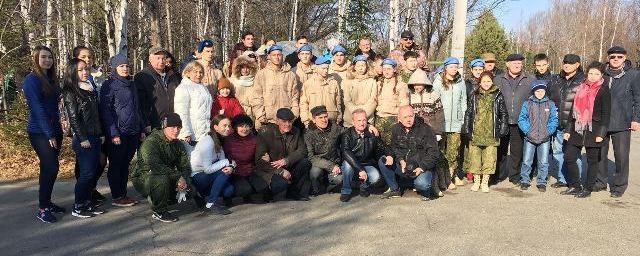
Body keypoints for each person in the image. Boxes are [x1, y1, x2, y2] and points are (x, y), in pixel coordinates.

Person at [61, 58, 106, 218]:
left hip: (94, 136)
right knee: (86, 174)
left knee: (92, 172)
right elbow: (74, 118)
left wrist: (100, 133)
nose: (85, 72)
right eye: (80, 70)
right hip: (83, 139)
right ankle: (78, 206)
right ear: (72, 71)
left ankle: (87, 202)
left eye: (86, 69)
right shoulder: (70, 91)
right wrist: (82, 138)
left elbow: (95, 115)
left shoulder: (89, 88)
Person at [24, 46, 64, 223]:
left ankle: (47, 202)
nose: (48, 60)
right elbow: (37, 109)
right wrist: (49, 134)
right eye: (43, 57)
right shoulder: (31, 80)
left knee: (49, 168)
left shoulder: (52, 79)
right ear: (36, 59)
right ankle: (42, 208)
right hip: (40, 132)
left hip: (55, 130)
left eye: (50, 57)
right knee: (51, 166)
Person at [101, 54, 146, 207]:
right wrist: (113, 132)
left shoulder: (131, 83)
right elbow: (106, 111)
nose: (125, 68)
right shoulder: (109, 85)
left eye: (127, 66)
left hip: (132, 131)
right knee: (116, 164)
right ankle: (117, 195)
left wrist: (141, 128)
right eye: (121, 66)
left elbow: (137, 108)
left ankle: (123, 194)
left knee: (125, 164)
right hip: (118, 133)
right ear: (115, 68)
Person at [131, 113, 194, 223]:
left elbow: (185, 166)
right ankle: (159, 211)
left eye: (178, 127)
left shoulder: (177, 144)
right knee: (161, 180)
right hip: (145, 177)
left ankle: (163, 198)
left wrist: (184, 181)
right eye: (172, 127)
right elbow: (155, 166)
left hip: (166, 174)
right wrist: (178, 177)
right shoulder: (151, 142)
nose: (176, 131)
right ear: (164, 127)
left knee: (191, 189)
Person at [562, 61, 611, 198]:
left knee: (592, 161)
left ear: (601, 75)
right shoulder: (580, 87)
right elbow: (573, 111)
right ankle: (575, 185)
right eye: (591, 73)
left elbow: (606, 114)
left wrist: (601, 133)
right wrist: (567, 130)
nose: (593, 76)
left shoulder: (603, 90)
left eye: (597, 74)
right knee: (569, 157)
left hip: (594, 130)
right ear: (586, 73)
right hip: (577, 129)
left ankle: (588, 188)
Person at [597, 46, 640, 197]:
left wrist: (636, 119)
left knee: (621, 156)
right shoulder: (601, 73)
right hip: (602, 121)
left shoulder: (633, 75)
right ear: (608, 58)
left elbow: (638, 98)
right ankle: (600, 182)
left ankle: (619, 186)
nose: (616, 59)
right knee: (600, 154)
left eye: (619, 57)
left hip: (622, 121)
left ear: (625, 58)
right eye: (613, 56)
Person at [379, 106, 439, 201]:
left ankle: (424, 188)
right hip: (404, 167)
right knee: (383, 160)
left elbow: (434, 153)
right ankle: (395, 189)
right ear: (399, 118)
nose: (408, 120)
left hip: (420, 168)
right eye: (405, 117)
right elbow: (393, 147)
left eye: (411, 116)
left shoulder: (426, 130)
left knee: (422, 184)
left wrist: (422, 167)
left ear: (414, 116)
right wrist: (398, 159)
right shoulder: (396, 129)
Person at [72, 45, 108, 203]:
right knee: (86, 164)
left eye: (90, 56)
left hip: (99, 124)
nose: (88, 59)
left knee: (100, 160)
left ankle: (90, 189)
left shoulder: (98, 76)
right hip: (83, 128)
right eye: (84, 56)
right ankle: (84, 195)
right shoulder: (74, 79)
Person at [462, 71, 509, 192]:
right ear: (480, 82)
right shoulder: (474, 94)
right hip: (476, 132)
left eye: (489, 81)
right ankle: (476, 181)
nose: (486, 83)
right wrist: (467, 128)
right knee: (475, 159)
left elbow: (503, 113)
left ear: (492, 81)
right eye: (484, 81)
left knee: (489, 159)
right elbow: (469, 113)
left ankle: (485, 182)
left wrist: (503, 127)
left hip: (491, 134)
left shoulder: (498, 95)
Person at [494, 53, 534, 185]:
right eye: (514, 63)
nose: (517, 65)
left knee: (517, 150)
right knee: (501, 149)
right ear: (507, 64)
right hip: (502, 121)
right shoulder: (498, 79)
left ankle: (514, 175)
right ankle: (499, 174)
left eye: (520, 63)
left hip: (520, 121)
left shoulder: (529, 79)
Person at [255, 108, 311, 201]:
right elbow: (260, 161)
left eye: (290, 121)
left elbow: (302, 151)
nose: (287, 124)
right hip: (272, 168)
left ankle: (293, 192)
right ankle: (269, 192)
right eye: (284, 121)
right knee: (280, 184)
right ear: (277, 121)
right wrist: (280, 171)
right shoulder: (265, 132)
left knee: (305, 163)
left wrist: (286, 160)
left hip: (287, 164)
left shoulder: (296, 131)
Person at [547, 54, 585, 188]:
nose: (567, 65)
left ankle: (575, 181)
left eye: (570, 62)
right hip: (558, 122)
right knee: (558, 152)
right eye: (565, 62)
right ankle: (563, 179)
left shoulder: (583, 80)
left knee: (574, 154)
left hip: (575, 124)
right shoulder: (556, 79)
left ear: (577, 64)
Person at [407, 69, 446, 195]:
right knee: (418, 157)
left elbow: (439, 114)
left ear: (425, 84)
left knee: (434, 158)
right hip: (417, 133)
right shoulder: (410, 96)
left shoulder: (433, 94)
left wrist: (439, 132)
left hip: (432, 132)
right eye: (415, 84)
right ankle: (420, 182)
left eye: (420, 84)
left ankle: (436, 185)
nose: (417, 86)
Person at [517, 80, 559, 192]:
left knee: (544, 161)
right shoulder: (527, 104)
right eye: (537, 91)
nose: (540, 93)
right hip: (530, 138)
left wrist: (548, 131)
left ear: (545, 91)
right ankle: (525, 180)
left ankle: (541, 181)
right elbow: (522, 119)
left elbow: (554, 120)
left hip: (544, 138)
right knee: (527, 160)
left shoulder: (550, 104)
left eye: (542, 91)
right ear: (533, 91)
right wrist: (528, 131)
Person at [433, 57, 467, 190]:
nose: (454, 69)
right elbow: (435, 102)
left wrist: (462, 117)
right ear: (446, 67)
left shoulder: (460, 81)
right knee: (442, 152)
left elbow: (463, 100)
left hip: (456, 122)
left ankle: (452, 176)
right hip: (443, 122)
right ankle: (443, 178)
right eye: (451, 66)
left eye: (456, 67)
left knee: (454, 151)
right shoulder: (438, 81)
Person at [190, 115, 235, 215]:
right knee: (225, 172)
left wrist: (230, 166)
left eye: (229, 125)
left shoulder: (219, 139)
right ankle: (211, 204)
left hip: (208, 176)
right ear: (215, 127)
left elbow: (223, 161)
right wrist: (228, 163)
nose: (228, 128)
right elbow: (207, 169)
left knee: (229, 190)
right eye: (224, 125)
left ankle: (200, 195)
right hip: (198, 176)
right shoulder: (208, 142)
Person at [340, 109, 385, 202]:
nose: (362, 123)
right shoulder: (346, 134)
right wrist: (360, 169)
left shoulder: (372, 133)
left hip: (367, 164)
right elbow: (346, 152)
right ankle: (346, 191)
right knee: (347, 166)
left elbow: (381, 147)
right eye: (359, 121)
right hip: (352, 163)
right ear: (353, 122)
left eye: (364, 120)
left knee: (375, 177)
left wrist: (389, 155)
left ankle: (363, 187)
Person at [251, 44, 299, 128]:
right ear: (269, 56)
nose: (277, 57)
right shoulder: (262, 74)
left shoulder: (290, 75)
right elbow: (256, 97)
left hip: (286, 120)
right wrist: (260, 115)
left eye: (279, 55)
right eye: (274, 55)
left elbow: (294, 96)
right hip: (268, 120)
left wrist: (294, 114)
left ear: (282, 56)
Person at [223, 114, 267, 203]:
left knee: (263, 186)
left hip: (250, 170)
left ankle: (250, 194)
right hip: (235, 172)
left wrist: (265, 157)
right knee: (244, 189)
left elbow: (258, 155)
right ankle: (230, 197)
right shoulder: (228, 140)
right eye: (241, 126)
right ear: (235, 127)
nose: (244, 129)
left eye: (247, 126)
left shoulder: (254, 139)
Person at [135, 46, 181, 130]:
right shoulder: (142, 76)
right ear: (150, 59)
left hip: (172, 123)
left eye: (163, 58)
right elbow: (141, 104)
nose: (161, 61)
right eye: (158, 58)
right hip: (154, 123)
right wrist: (146, 123)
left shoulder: (172, 75)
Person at [304, 106, 345, 196]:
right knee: (314, 174)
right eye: (320, 118)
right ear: (314, 120)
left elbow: (348, 132)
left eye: (325, 117)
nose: (324, 120)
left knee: (340, 179)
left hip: (334, 161)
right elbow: (311, 157)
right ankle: (317, 189)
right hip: (319, 163)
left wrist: (369, 126)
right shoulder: (308, 134)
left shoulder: (334, 127)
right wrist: (331, 166)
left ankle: (328, 188)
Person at [173, 61, 213, 145]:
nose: (199, 75)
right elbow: (181, 113)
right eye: (196, 72)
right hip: (191, 134)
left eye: (201, 72)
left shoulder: (203, 87)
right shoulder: (183, 88)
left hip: (204, 132)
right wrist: (185, 133)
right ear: (188, 73)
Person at [375, 58, 410, 144]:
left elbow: (404, 104)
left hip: (393, 119)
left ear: (394, 69)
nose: (386, 72)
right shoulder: (378, 84)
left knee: (393, 145)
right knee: (379, 146)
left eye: (389, 69)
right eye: (384, 69)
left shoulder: (401, 85)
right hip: (379, 118)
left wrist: (402, 118)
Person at [300, 56, 342, 126]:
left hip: (332, 120)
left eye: (327, 68)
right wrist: (306, 121)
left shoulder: (334, 83)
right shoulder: (308, 84)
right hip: (314, 122)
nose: (326, 71)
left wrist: (339, 117)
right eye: (323, 68)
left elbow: (338, 102)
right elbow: (303, 103)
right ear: (317, 68)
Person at [342, 55, 378, 127]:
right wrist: (356, 114)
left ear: (366, 67)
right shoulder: (348, 81)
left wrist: (363, 115)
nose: (361, 68)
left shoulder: (372, 81)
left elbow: (373, 101)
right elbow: (347, 100)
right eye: (358, 66)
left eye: (363, 65)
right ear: (354, 67)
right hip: (350, 119)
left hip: (367, 119)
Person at [229, 55, 259, 120]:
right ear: (238, 68)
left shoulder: (255, 81)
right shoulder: (232, 81)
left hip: (251, 113)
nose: (245, 70)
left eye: (247, 68)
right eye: (242, 68)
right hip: (235, 112)